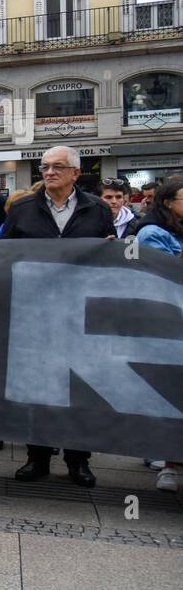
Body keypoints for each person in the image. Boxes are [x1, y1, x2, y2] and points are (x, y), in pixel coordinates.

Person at [4, 146, 113, 489]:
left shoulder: (97, 210)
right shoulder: (22, 209)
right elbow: (2, 255)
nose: (49, 173)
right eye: (44, 167)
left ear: (75, 174)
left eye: (57, 167)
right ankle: (37, 457)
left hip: (81, 314)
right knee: (38, 386)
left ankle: (78, 459)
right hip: (34, 312)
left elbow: (111, 259)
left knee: (80, 388)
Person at [134, 179, 183, 491]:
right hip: (170, 324)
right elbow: (160, 277)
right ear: (168, 202)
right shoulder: (152, 233)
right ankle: (169, 463)